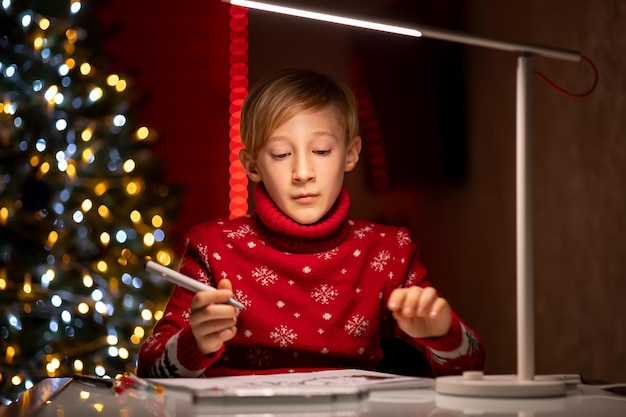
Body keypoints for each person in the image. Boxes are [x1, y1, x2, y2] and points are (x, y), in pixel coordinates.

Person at [137, 68, 484, 378]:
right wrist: (194, 342)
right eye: (281, 155)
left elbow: (470, 365)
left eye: (321, 151)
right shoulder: (214, 245)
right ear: (253, 165)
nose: (303, 173)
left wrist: (441, 331)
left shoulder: (389, 249)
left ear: (350, 154)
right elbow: (149, 366)